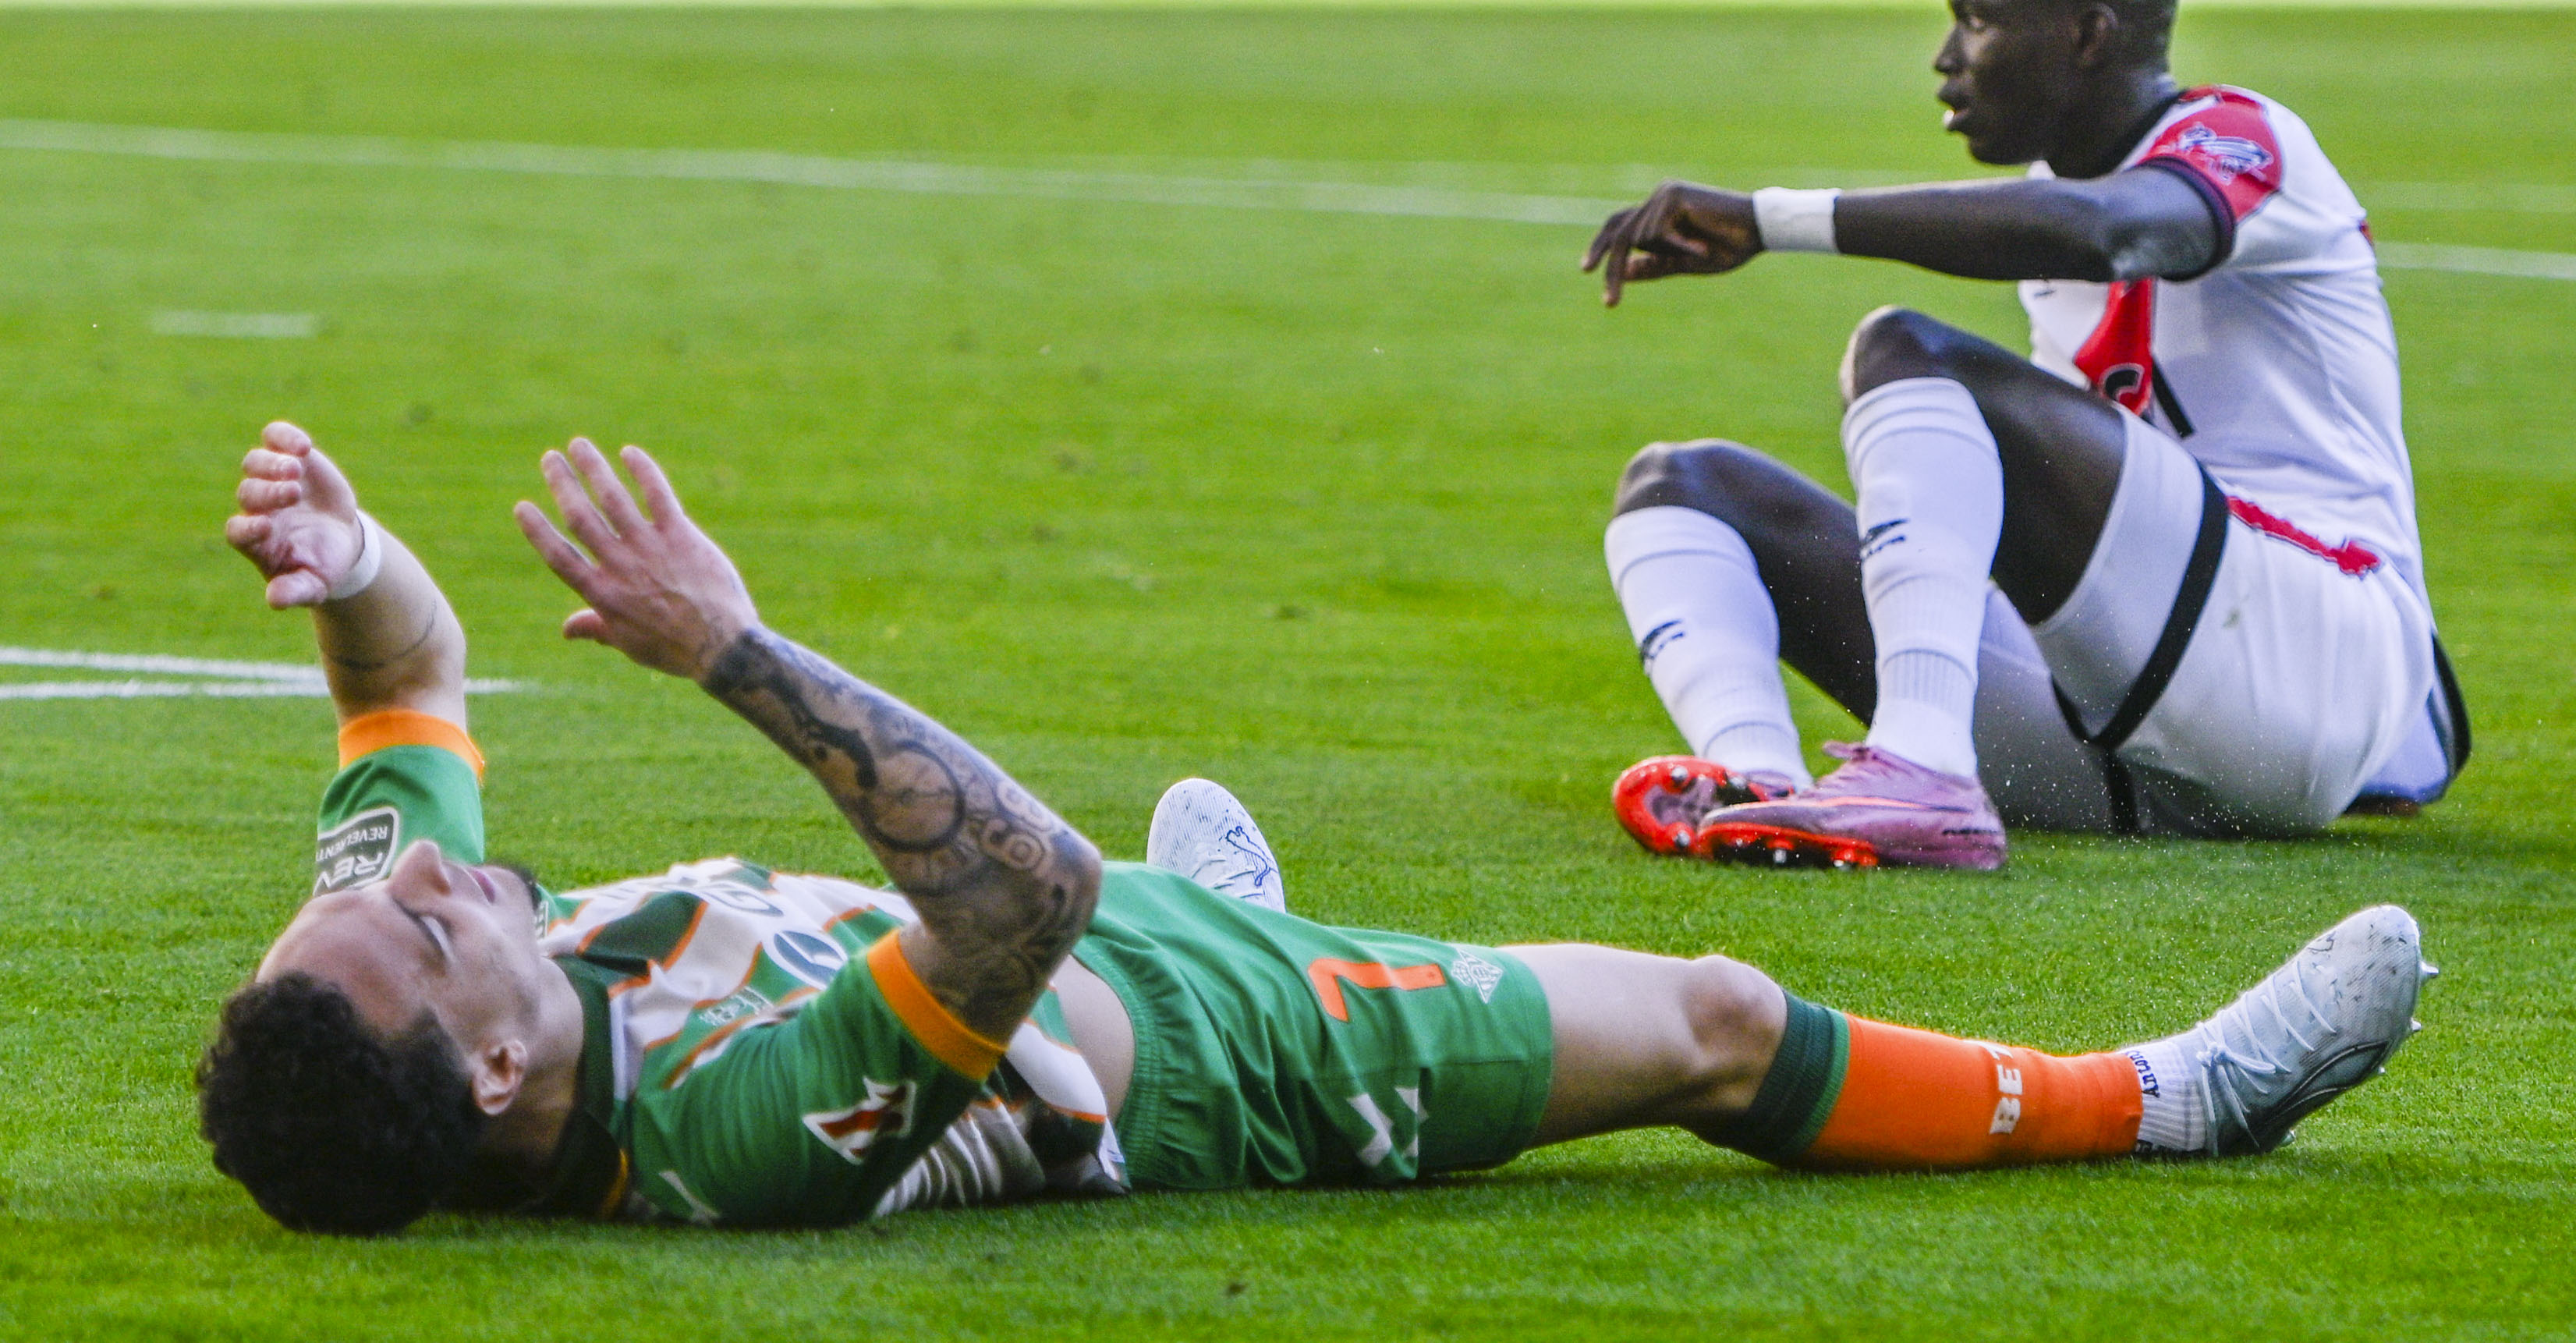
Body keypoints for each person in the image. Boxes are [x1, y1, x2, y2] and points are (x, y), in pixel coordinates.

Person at [198, 421, 2430, 1234]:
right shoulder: (722, 1142)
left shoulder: (379, 997)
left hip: (1106, 952)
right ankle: (2157, 1103)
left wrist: (355, 548)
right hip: (1241, 1046)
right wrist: (733, 655)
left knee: (1134, 899)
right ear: (487, 1068)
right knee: (1719, 1019)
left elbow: (405, 681)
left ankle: (1230, 895)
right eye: (418, 920)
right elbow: (1021, 892)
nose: (408, 870)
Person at [1582, 0, 2465, 871]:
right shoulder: (2051, 203)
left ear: (2089, 35)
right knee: (1680, 488)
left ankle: (1919, 771)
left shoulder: (2242, 139)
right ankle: (1752, 782)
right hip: (2131, 740)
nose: (1946, 58)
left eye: (1978, 19)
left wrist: (1770, 219)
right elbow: (2067, 229)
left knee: (1907, 351)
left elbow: (2110, 232)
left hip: (2311, 672)